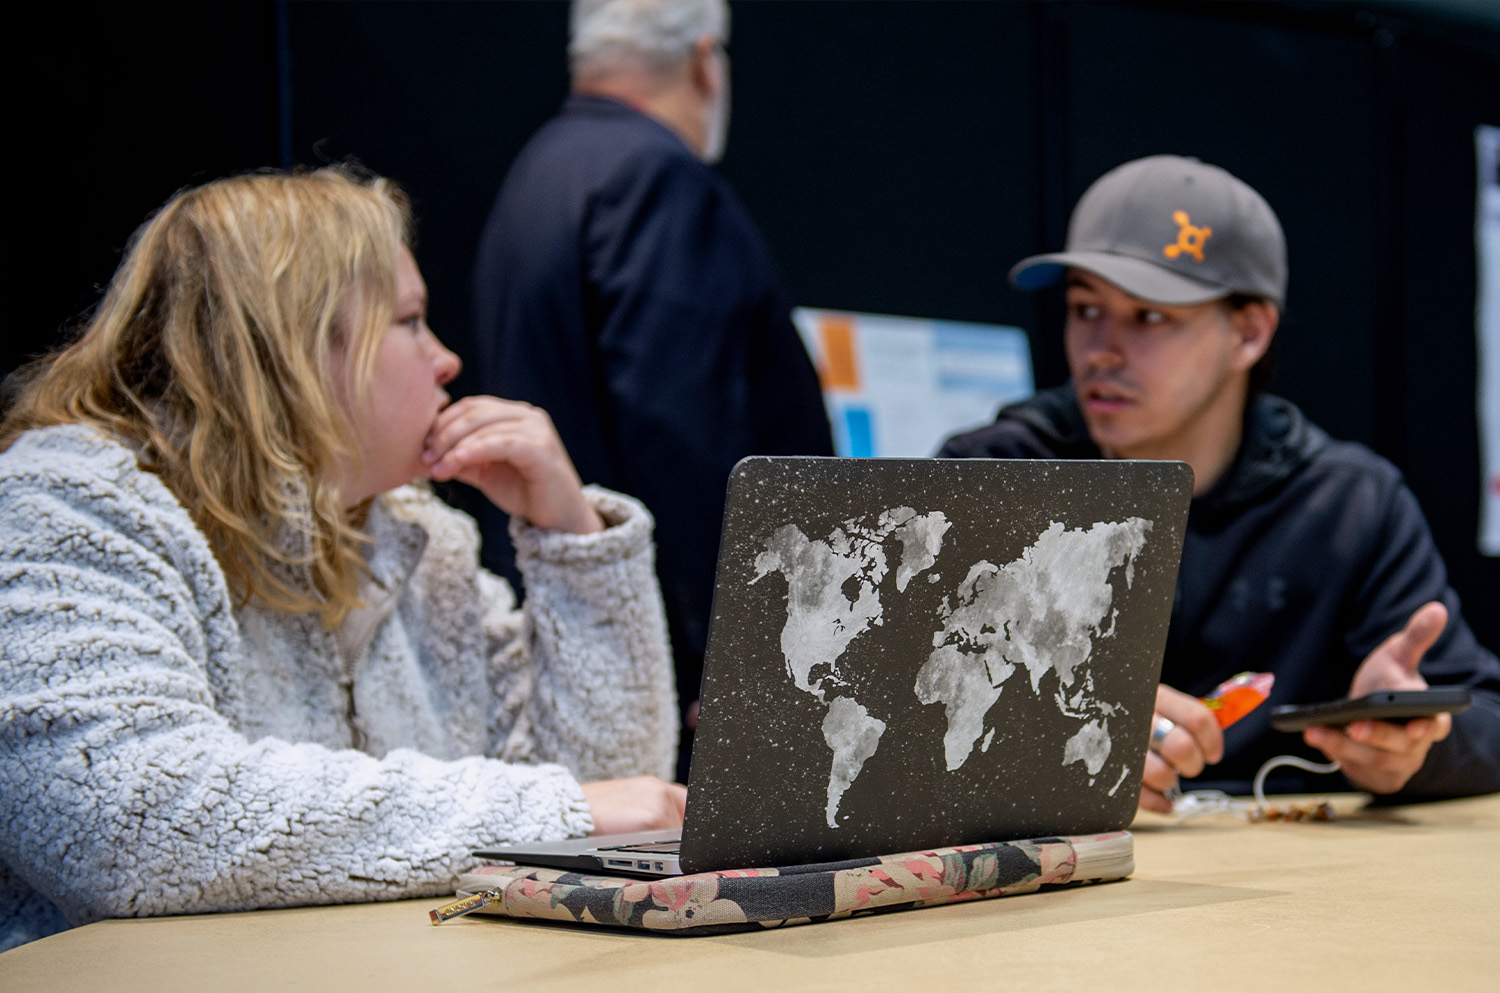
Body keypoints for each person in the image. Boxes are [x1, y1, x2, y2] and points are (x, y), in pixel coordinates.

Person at [0, 166, 684, 952]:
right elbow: (127, 821)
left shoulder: (419, 543)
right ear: (289, 343)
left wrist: (573, 541)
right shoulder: (62, 506)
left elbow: (621, 790)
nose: (447, 359)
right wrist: (554, 816)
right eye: (411, 320)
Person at [941, 154, 1500, 812]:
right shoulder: (991, 477)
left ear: (1250, 332)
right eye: (1085, 309)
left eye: (1150, 317)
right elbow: (875, 710)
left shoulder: (1350, 503)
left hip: (1287, 890)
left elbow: (1487, 723)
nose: (1102, 349)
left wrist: (1410, 742)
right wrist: (1042, 736)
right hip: (1057, 888)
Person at [471, 0, 834, 773]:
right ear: (707, 61)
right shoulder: (656, 180)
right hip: (666, 661)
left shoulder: (538, 171)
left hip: (568, 625)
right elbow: (682, 436)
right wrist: (733, 660)